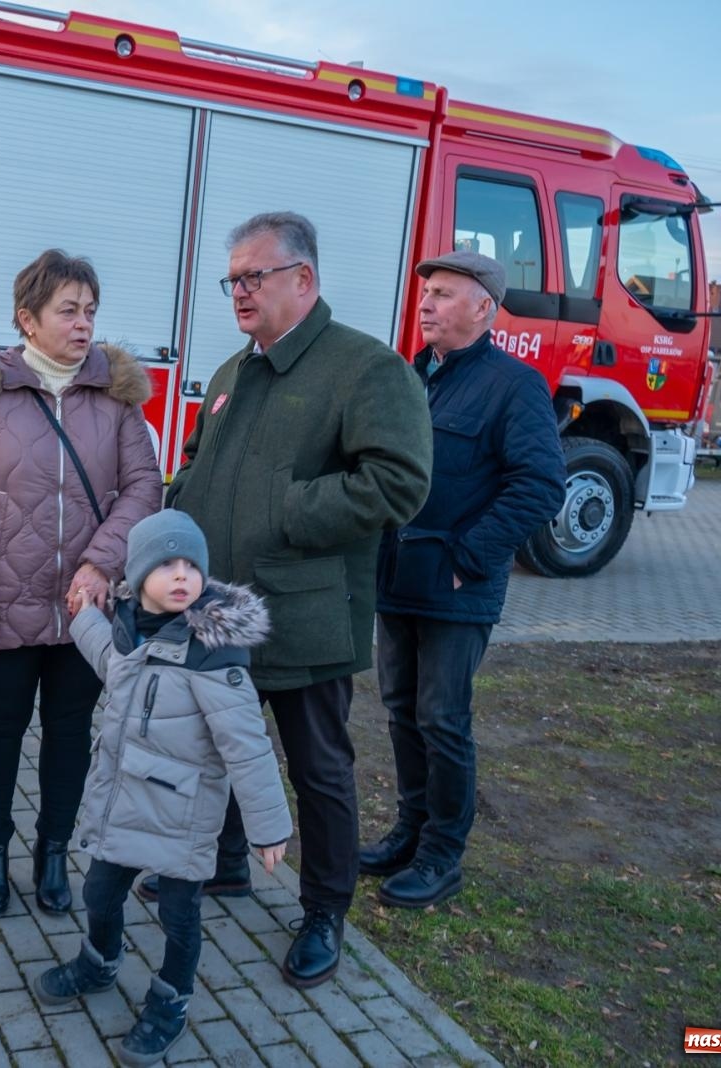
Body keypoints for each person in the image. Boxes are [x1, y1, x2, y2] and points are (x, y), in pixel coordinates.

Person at [156, 212, 432, 988]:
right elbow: (195, 466)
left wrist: (284, 508)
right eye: (232, 279)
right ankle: (227, 861)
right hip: (217, 612)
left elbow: (399, 482)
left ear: (303, 279)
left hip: (304, 615)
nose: (239, 292)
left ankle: (324, 910)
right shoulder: (230, 373)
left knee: (318, 770)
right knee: (218, 746)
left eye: (255, 277)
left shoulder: (365, 370)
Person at [0, 249, 161, 916]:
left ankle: (54, 853)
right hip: (4, 601)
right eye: (69, 310)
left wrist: (102, 562)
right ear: (27, 319)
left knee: (71, 733)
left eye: (90, 311)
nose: (83, 323)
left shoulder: (115, 397)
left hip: (85, 607)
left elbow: (145, 486)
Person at [33, 510, 291, 1066]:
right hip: (124, 807)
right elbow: (111, 661)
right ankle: (100, 962)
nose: (182, 576)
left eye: (191, 565)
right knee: (99, 894)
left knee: (179, 918)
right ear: (138, 574)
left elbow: (248, 747)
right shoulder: (131, 629)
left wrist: (269, 826)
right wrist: (82, 618)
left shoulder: (214, 659)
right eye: (167, 564)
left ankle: (171, 1001)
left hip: (183, 819)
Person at [365, 251, 565, 907]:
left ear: (483, 307)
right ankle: (409, 833)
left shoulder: (515, 385)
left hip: (456, 587)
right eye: (425, 292)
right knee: (401, 713)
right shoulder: (414, 378)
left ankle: (442, 857)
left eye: (444, 293)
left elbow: (539, 485)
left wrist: (467, 559)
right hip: (398, 580)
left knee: (442, 720)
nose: (426, 304)